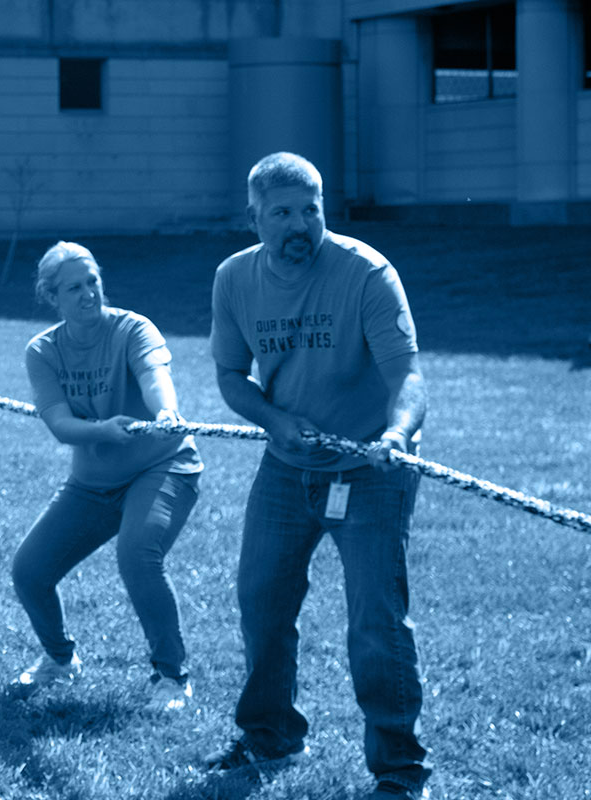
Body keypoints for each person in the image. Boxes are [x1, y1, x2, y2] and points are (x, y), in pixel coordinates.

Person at [206, 152, 430, 800]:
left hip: (372, 465)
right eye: (283, 212)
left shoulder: (365, 273)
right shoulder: (235, 279)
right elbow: (228, 376)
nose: (301, 223)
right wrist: (273, 419)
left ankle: (398, 766)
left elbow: (408, 375)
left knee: (375, 617)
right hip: (287, 464)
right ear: (255, 217)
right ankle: (271, 734)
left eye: (312, 208)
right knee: (262, 600)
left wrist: (397, 434)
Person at [10, 242, 204, 711]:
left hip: (163, 465)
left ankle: (171, 676)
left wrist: (166, 412)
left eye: (93, 281)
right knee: (30, 571)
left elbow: (155, 374)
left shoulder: (132, 328)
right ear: (51, 296)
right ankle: (60, 659)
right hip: (94, 482)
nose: (88, 293)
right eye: (73, 287)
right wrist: (102, 430)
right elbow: (59, 423)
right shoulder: (43, 351)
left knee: (138, 554)